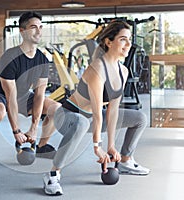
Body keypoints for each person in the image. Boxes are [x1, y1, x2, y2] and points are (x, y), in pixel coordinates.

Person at [42, 21, 150, 196]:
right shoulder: (97, 68)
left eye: (129, 39)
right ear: (109, 42)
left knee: (139, 118)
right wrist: (97, 145)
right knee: (82, 123)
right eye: (123, 39)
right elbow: (98, 109)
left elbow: (113, 110)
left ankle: (125, 160)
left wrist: (111, 146)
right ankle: (53, 174)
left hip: (92, 118)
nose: (129, 44)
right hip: (69, 116)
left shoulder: (123, 71)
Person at [0, 11, 61, 170]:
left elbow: (39, 95)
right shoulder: (10, 57)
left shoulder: (42, 60)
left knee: (57, 109)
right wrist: (16, 131)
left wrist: (32, 129)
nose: (38, 31)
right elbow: (10, 96)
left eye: (40, 27)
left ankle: (41, 146)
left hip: (23, 96)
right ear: (22, 31)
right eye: (33, 27)